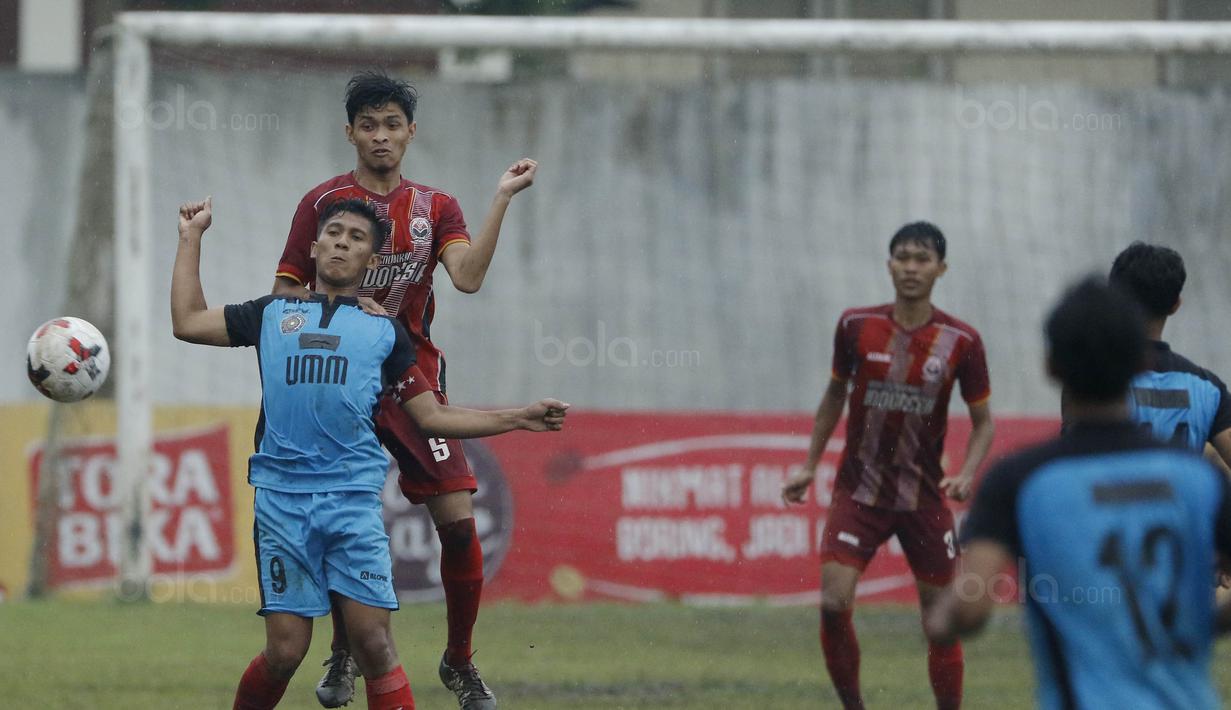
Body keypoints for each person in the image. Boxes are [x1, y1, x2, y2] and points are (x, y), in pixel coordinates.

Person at [171, 196, 567, 710]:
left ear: (371, 263)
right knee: (284, 652)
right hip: (281, 504)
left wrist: (517, 417)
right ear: (313, 248)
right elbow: (187, 321)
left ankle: (451, 658)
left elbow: (432, 417)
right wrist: (191, 237)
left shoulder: (386, 332)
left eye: (357, 239)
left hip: (352, 505)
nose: (341, 242)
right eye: (333, 233)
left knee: (376, 645)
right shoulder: (269, 314)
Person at [271, 71, 537, 709]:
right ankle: (344, 650)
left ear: (411, 133)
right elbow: (283, 294)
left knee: (458, 522)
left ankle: (460, 660)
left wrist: (501, 197)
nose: (381, 136)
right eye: (369, 125)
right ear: (351, 133)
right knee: (341, 518)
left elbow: (467, 278)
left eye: (393, 125)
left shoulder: (436, 207)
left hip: (412, 378)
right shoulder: (322, 203)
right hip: (338, 380)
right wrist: (338, 300)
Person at [926, 277, 1231, 710]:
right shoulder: (1199, 478)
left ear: (1051, 366)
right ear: (1138, 362)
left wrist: (940, 618)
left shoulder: (1020, 478)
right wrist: (1204, 619)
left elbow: (971, 608)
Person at [782, 221, 995, 710]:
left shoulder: (962, 340)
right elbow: (835, 394)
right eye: (902, 257)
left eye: (922, 259)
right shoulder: (856, 325)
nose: (911, 267)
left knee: (940, 620)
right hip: (859, 493)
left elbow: (983, 422)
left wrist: (965, 472)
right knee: (834, 603)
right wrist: (809, 465)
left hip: (922, 497)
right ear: (889, 265)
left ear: (941, 269)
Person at [1103, 242, 1231, 469]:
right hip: (1182, 504)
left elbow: (1075, 461)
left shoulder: (1092, 378)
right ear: (1175, 305)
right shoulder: (1209, 388)